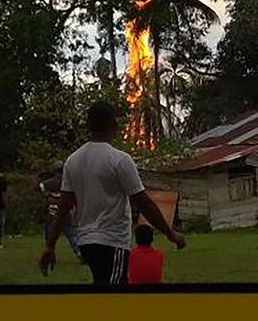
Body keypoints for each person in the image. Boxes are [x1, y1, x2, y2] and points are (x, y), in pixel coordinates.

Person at [40, 102, 187, 285]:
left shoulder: (72, 161)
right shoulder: (119, 160)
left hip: (85, 242)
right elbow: (143, 203)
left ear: (88, 127)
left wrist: (50, 245)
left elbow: (64, 206)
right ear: (114, 127)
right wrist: (170, 234)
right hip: (112, 241)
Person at [40, 164, 81, 260]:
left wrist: (47, 195)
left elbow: (39, 187)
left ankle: (50, 252)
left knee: (49, 235)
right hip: (66, 212)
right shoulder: (69, 182)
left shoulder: (50, 182)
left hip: (52, 212)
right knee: (71, 235)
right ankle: (79, 252)